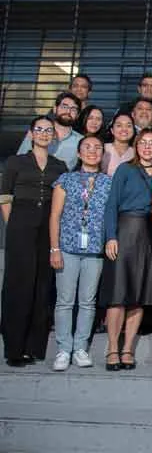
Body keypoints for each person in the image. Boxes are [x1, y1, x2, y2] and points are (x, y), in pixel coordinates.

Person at [1, 117, 69, 366]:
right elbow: (5, 197)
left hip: (47, 225)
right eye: (39, 129)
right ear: (31, 134)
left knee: (42, 284)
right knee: (18, 284)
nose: (43, 133)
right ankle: (14, 348)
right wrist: (14, 226)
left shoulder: (60, 166)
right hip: (21, 223)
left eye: (48, 130)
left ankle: (34, 347)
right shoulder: (15, 162)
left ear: (54, 136)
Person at [100, 129, 152, 372]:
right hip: (124, 232)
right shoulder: (125, 170)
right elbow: (111, 205)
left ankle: (127, 348)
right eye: (143, 142)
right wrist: (111, 236)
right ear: (136, 146)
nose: (147, 147)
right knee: (118, 295)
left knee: (138, 296)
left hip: (149, 236)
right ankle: (112, 348)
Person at [49, 135, 112, 371]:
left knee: (87, 302)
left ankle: (80, 348)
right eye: (87, 147)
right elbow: (55, 216)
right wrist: (55, 248)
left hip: (94, 250)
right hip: (67, 248)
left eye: (97, 148)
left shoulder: (108, 182)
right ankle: (63, 349)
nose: (92, 151)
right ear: (79, 153)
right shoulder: (66, 179)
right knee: (65, 301)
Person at [18, 92, 82, 170]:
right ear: (55, 109)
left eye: (73, 109)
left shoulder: (81, 141)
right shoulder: (37, 133)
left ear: (78, 115)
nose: (68, 111)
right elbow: (18, 161)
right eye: (64, 107)